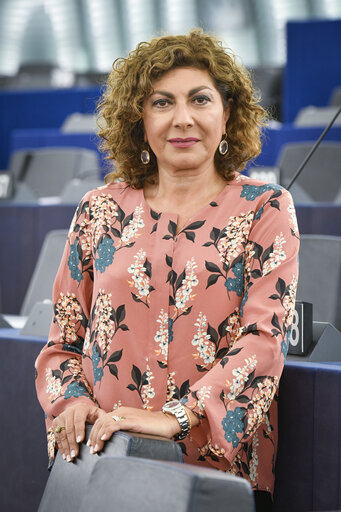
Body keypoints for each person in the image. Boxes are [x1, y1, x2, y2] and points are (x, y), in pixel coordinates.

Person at [35, 29, 299, 511]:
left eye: (200, 99)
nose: (182, 119)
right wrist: (72, 403)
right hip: (103, 460)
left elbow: (264, 341)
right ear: (139, 118)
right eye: (161, 102)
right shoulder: (98, 210)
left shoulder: (266, 208)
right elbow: (62, 342)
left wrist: (176, 417)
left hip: (212, 471)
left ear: (228, 113)